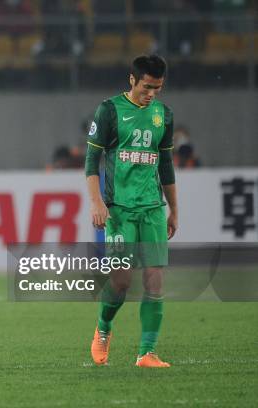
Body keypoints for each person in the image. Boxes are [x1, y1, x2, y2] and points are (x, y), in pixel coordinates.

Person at [84, 55, 178, 368]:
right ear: (132, 80)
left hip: (152, 209)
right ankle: (103, 327)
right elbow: (91, 161)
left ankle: (147, 353)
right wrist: (97, 202)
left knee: (154, 282)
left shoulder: (163, 115)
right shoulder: (109, 110)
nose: (152, 93)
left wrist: (174, 210)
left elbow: (165, 165)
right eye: (147, 87)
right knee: (121, 282)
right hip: (120, 211)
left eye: (158, 88)